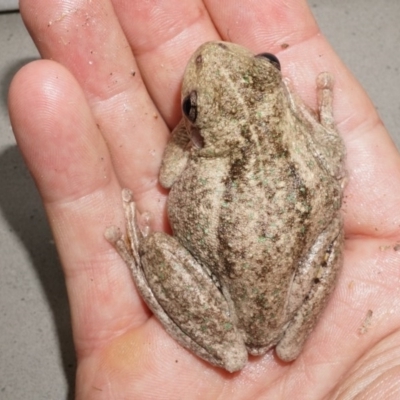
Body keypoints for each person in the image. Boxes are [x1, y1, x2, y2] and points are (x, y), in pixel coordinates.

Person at [8, 0, 400, 398]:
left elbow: (166, 174)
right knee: (329, 221)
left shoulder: (204, 133)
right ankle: (272, 337)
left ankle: (157, 275)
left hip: (242, 282)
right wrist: (324, 121)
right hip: (262, 282)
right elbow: (334, 162)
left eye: (267, 64)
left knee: (157, 248)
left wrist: (188, 125)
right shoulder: (298, 131)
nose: (212, 54)